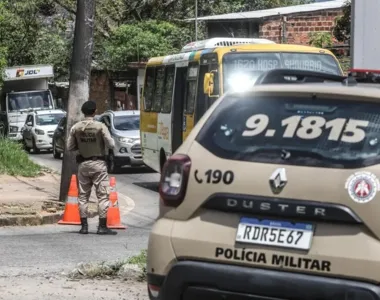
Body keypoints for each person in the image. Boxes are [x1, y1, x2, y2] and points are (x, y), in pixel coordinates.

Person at [66, 100, 117, 235]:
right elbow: (111, 144)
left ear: (83, 112)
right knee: (103, 195)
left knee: (83, 196)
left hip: (83, 164)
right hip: (99, 164)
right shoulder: (100, 126)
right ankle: (102, 226)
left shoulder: (76, 128)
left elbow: (69, 147)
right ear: (94, 111)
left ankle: (84, 226)